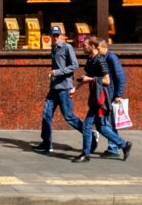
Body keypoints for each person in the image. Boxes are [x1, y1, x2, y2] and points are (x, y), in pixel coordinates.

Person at [80, 29, 132, 163]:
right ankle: (123, 145)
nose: (82, 47)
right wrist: (76, 87)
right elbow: (89, 76)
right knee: (102, 126)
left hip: (103, 97)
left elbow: (118, 77)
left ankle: (87, 154)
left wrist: (119, 94)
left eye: (85, 45)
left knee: (89, 125)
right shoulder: (93, 60)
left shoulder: (107, 59)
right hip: (98, 95)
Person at [35, 21, 86, 155]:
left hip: (64, 87)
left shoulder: (67, 47)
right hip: (54, 87)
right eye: (54, 35)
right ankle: (46, 143)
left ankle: (89, 133)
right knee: (46, 114)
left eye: (58, 35)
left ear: (61, 35)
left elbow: (75, 65)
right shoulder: (54, 48)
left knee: (68, 116)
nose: (56, 37)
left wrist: (58, 72)